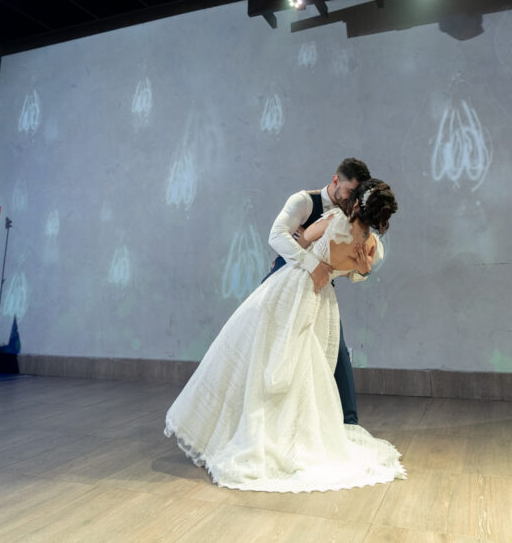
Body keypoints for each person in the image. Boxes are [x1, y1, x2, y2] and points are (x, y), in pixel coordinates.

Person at [165, 178, 404, 492]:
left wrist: (306, 240)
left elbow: (301, 241)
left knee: (268, 355)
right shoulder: (371, 246)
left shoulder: (335, 220)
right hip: (322, 301)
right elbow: (353, 272)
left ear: (358, 202)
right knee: (305, 365)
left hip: (294, 288)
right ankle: (294, 435)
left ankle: (259, 431)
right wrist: (355, 267)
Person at [264, 157, 378, 425]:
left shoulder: (351, 217)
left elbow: (348, 268)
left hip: (321, 289)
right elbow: (276, 236)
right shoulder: (304, 201)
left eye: (356, 195)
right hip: (285, 281)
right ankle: (271, 420)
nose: (351, 200)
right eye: (349, 192)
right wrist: (312, 263)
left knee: (336, 350)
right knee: (272, 348)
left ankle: (348, 423)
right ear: (336, 180)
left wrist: (362, 271)